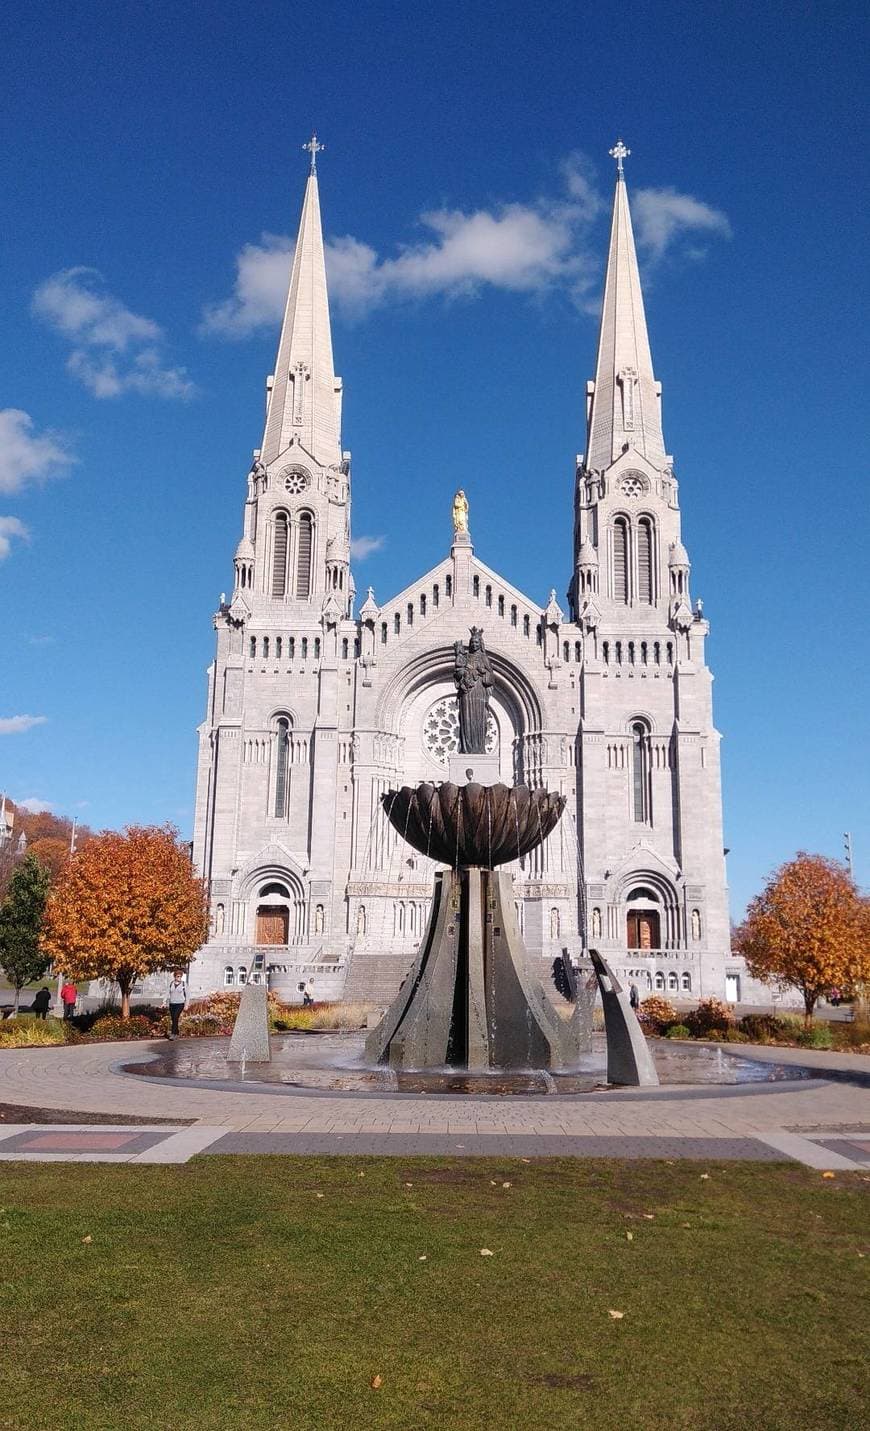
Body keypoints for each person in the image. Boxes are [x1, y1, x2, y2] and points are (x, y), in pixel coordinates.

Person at [167, 968, 187, 1039]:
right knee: (173, 1019)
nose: (179, 978)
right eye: (178, 976)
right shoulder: (171, 983)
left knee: (175, 1017)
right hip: (172, 1004)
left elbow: (187, 995)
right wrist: (164, 1002)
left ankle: (173, 1034)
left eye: (180, 976)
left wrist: (186, 1005)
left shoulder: (184, 984)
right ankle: (177, 1032)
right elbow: (167, 993)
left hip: (180, 1004)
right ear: (175, 977)